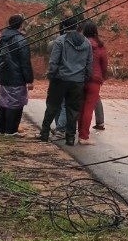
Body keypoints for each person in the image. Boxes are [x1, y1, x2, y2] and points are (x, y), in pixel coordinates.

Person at [39, 17, 92, 146]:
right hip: (77, 82)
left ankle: (44, 134)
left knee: (52, 106)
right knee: (73, 110)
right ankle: (70, 138)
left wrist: (52, 75)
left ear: (63, 27)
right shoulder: (87, 43)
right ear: (78, 26)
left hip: (60, 80)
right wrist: (84, 78)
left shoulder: (60, 41)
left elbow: (53, 62)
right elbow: (89, 64)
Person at [0, 14, 34, 135]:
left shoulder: (2, 38)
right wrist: (29, 80)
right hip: (16, 78)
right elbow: (25, 63)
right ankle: (11, 131)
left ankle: (1, 129)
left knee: (3, 103)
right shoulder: (21, 40)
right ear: (21, 25)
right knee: (15, 104)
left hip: (3, 77)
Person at [77, 21, 108, 145]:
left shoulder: (80, 44)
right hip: (95, 80)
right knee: (89, 108)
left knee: (81, 107)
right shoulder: (100, 46)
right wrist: (103, 77)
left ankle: (80, 133)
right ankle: (84, 136)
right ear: (95, 31)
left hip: (81, 79)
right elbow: (104, 64)